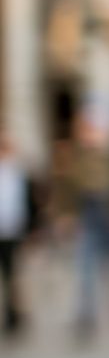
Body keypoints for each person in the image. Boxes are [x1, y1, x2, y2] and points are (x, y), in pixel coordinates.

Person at [54, 118, 109, 341]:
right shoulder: (76, 157)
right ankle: (86, 315)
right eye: (87, 132)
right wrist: (65, 214)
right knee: (85, 269)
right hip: (88, 214)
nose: (91, 136)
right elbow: (67, 187)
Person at [0, 136, 37, 338]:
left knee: (13, 274)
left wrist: (30, 229)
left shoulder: (17, 173)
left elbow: (27, 202)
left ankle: (13, 314)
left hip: (12, 231)